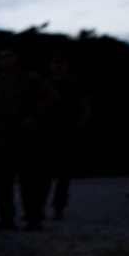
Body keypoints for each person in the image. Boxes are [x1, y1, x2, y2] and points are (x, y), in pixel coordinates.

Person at [0, 46, 57, 231]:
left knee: (29, 178)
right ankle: (6, 219)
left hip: (25, 134)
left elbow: (51, 95)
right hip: (3, 135)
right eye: (3, 57)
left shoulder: (29, 79)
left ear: (16, 57)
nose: (6, 60)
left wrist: (34, 117)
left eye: (9, 56)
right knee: (3, 180)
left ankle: (34, 218)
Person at [42, 52, 91, 221]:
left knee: (63, 173)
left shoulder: (75, 83)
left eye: (61, 63)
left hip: (67, 132)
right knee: (44, 173)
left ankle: (58, 208)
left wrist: (78, 125)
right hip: (47, 132)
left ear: (66, 65)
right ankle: (40, 208)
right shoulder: (45, 84)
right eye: (56, 63)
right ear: (51, 66)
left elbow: (85, 106)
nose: (58, 67)